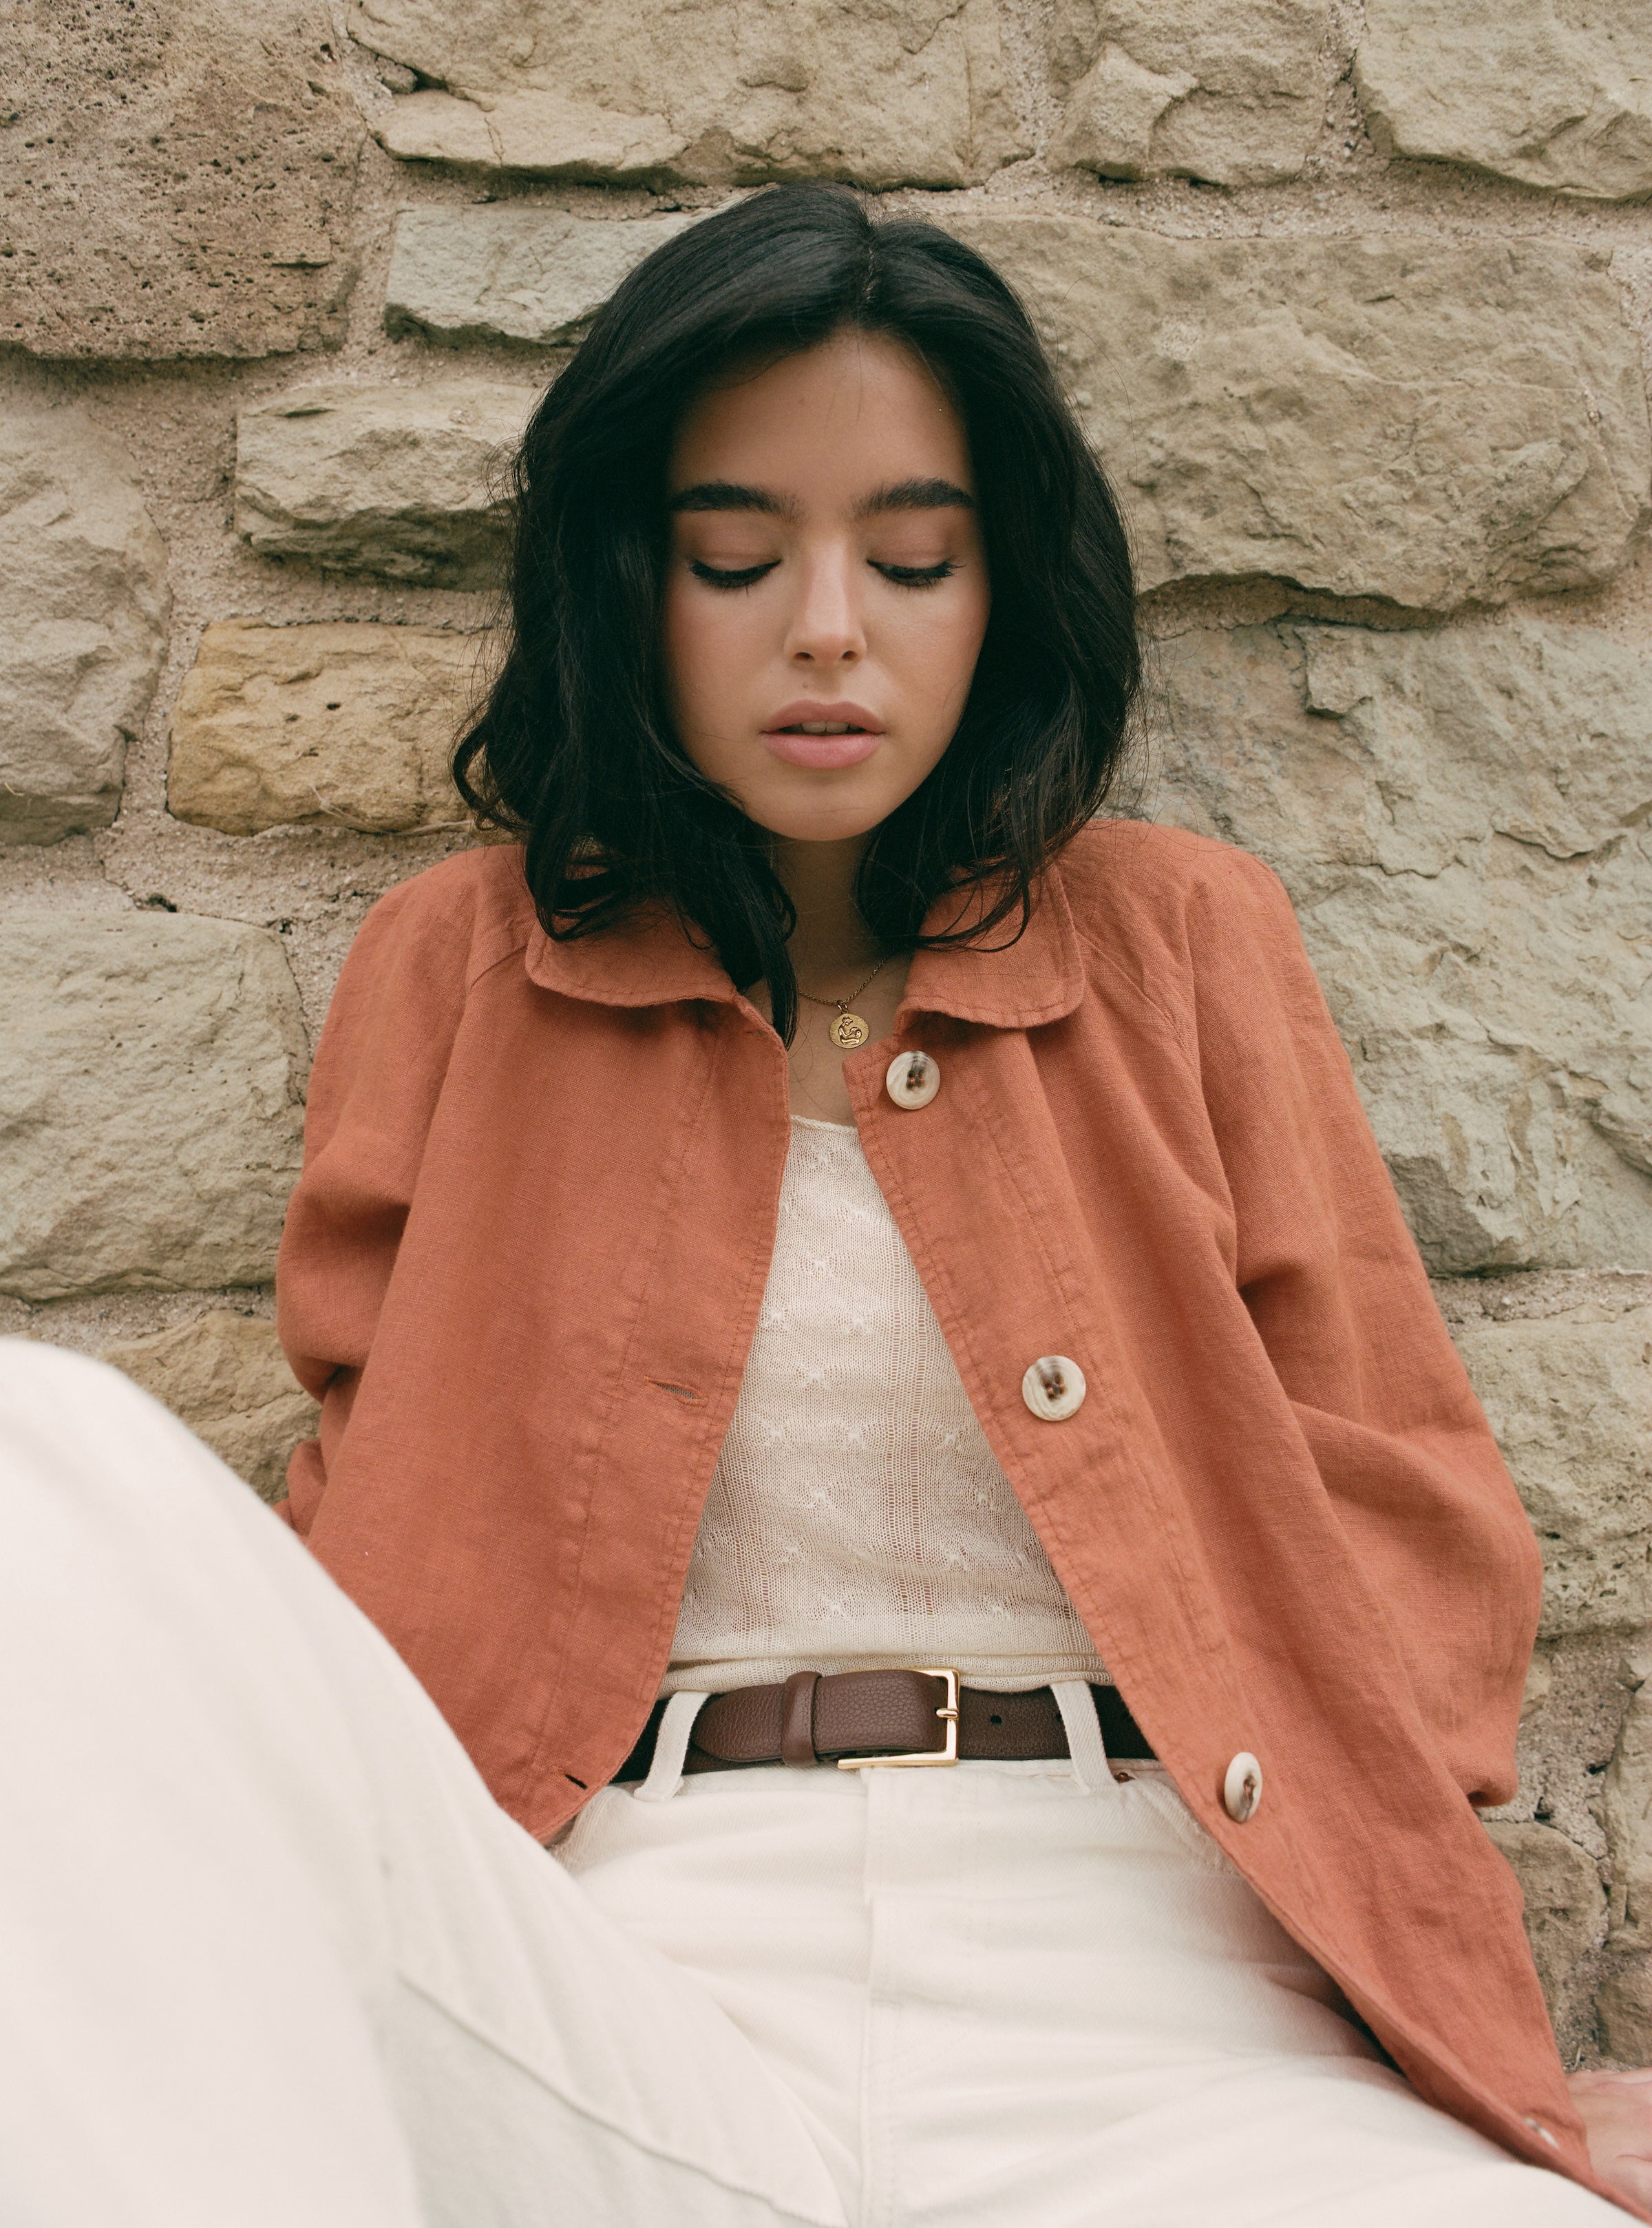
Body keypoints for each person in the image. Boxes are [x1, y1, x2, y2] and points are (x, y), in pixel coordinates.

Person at [5, 181, 1652, 2227]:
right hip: (624, 1971)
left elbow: (1405, 1518)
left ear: (1002, 589)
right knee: (28, 1447)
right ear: (636, 577)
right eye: (733, 554)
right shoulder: (457, 963)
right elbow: (364, 1522)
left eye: (913, 556)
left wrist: (1432, 1994)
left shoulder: (1186, 942)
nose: (827, 628)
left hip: (1149, 1977)